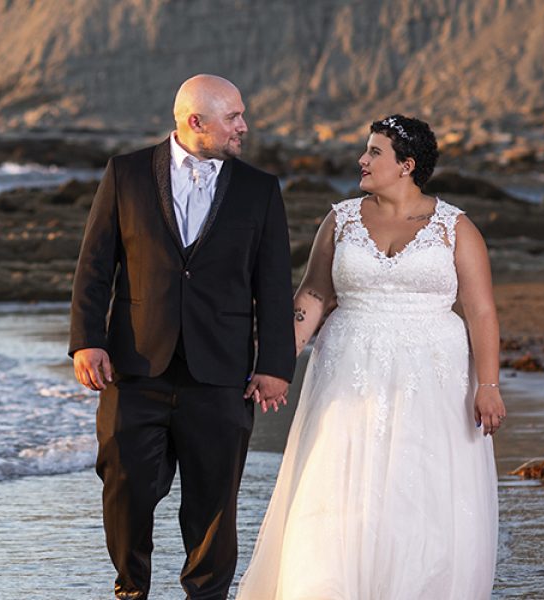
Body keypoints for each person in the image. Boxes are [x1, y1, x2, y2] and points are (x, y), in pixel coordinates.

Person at [234, 114, 505, 599]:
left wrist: (488, 385)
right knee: (336, 484)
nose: (362, 160)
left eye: (374, 152)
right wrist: (276, 362)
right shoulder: (340, 219)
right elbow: (313, 295)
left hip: (433, 378)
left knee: (420, 490)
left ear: (407, 165)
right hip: (348, 369)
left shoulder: (455, 227)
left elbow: (482, 311)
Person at [70, 74, 295, 600]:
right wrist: (87, 339)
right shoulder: (125, 174)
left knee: (214, 500)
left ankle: (208, 594)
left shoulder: (259, 189)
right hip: (135, 364)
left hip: (222, 371)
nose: (244, 126)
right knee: (124, 484)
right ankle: (132, 588)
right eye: (233, 117)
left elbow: (274, 283)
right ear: (197, 122)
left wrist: (275, 365)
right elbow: (95, 264)